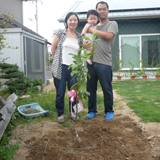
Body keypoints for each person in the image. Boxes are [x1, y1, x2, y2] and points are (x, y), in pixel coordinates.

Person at [86, 1, 118, 120]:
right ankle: (92, 110)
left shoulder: (112, 24)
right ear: (96, 11)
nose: (102, 11)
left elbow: (108, 36)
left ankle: (109, 111)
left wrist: (91, 30)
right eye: (99, 9)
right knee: (91, 89)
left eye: (104, 9)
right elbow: (88, 40)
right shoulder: (93, 26)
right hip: (91, 62)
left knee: (107, 89)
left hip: (104, 62)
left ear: (108, 11)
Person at [51, 12, 83, 123]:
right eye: (70, 20)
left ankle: (73, 112)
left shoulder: (79, 37)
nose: (73, 22)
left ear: (77, 22)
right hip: (61, 67)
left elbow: (83, 50)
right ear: (66, 21)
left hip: (73, 68)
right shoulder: (60, 33)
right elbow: (53, 48)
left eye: (75, 20)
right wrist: (57, 62)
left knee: (73, 92)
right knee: (60, 92)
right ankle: (60, 114)